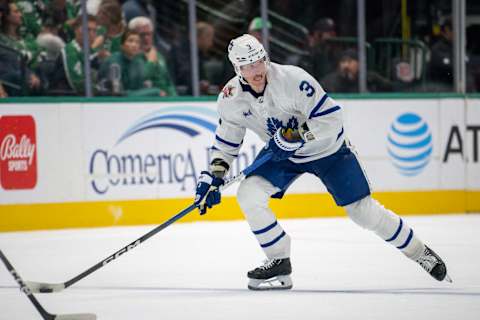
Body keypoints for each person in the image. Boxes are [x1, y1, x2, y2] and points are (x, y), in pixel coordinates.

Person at [193, 34, 451, 290]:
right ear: (237, 69)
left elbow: (332, 119)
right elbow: (227, 143)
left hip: (328, 149)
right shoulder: (230, 99)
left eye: (259, 61)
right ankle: (278, 260)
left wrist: (295, 135)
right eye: (248, 66)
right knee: (249, 193)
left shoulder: (293, 80)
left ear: (266, 57)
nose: (256, 70)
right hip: (284, 155)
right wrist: (213, 177)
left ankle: (419, 252)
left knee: (362, 212)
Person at [98, 30, 163, 96]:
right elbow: (118, 95)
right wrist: (155, 92)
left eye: (137, 42)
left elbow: (143, 87)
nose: (134, 45)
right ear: (122, 45)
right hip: (109, 103)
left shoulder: (138, 62)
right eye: (130, 41)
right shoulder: (114, 62)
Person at [128, 16, 176, 96]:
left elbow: (168, 83)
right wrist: (151, 62)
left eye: (149, 34)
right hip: (145, 103)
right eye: (142, 35)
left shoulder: (159, 56)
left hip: (166, 102)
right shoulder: (130, 56)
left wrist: (176, 100)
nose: (146, 38)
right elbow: (138, 81)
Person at [321, 49, 393, 93]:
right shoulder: (329, 81)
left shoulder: (370, 78)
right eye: (343, 62)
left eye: (349, 62)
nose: (346, 65)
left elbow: (390, 87)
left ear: (359, 64)